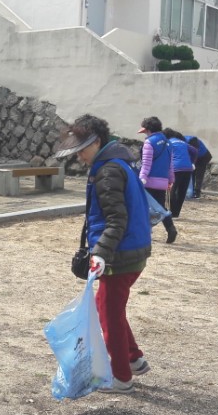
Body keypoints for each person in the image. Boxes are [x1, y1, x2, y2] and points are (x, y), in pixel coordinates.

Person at [54, 114, 152, 394]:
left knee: (108, 314)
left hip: (121, 254)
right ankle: (133, 359)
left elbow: (115, 220)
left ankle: (121, 378)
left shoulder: (108, 170)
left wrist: (100, 253)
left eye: (82, 150)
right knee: (110, 307)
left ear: (97, 142)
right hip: (132, 249)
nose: (80, 157)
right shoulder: (120, 161)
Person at [137, 116, 179, 243]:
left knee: (144, 207)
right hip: (162, 182)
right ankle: (171, 228)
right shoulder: (168, 143)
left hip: (149, 181)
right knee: (160, 208)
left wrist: (142, 178)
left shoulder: (149, 143)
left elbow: (146, 164)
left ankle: (145, 233)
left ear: (147, 129)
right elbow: (170, 164)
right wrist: (171, 179)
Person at [163, 127, 198, 219]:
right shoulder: (183, 142)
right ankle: (176, 214)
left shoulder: (168, 143)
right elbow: (194, 151)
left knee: (171, 190)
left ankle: (172, 212)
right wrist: (192, 162)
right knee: (182, 191)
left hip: (176, 168)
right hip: (188, 168)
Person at [184, 134, 212, 199]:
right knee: (192, 174)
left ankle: (197, 192)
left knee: (199, 175)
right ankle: (191, 192)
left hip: (203, 156)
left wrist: (193, 163)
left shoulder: (192, 139)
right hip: (195, 157)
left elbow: (195, 151)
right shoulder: (180, 141)